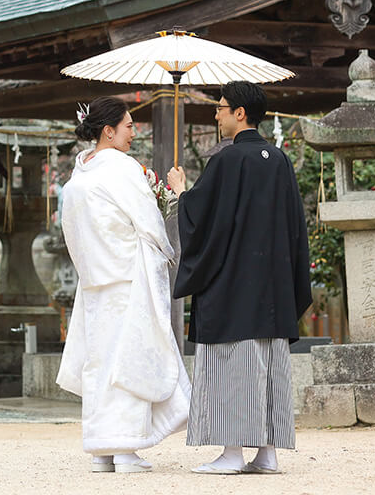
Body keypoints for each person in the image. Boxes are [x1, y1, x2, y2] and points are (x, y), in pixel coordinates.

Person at [167, 81, 312, 475]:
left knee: (230, 367)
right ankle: (267, 452)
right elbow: (295, 228)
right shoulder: (279, 160)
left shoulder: (228, 162)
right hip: (273, 287)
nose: (216, 115)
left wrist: (182, 191)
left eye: (220, 108)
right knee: (268, 365)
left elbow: (202, 222)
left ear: (240, 113)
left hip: (232, 287)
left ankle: (232, 453)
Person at [56, 96, 190, 474]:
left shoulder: (79, 175)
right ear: (108, 130)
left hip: (97, 281)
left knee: (101, 362)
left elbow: (72, 234)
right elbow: (148, 225)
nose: (135, 132)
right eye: (129, 126)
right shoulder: (122, 168)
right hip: (128, 278)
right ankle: (127, 449)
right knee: (129, 359)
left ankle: (102, 450)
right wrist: (165, 248)